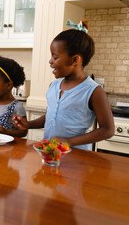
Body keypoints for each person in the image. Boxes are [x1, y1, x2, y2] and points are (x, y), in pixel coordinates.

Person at [12, 20, 114, 150]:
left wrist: (68, 141)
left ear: (75, 59)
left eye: (55, 57)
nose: (50, 61)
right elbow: (50, 117)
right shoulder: (53, 86)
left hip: (78, 159)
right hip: (50, 153)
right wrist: (28, 124)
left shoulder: (93, 91)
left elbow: (108, 130)